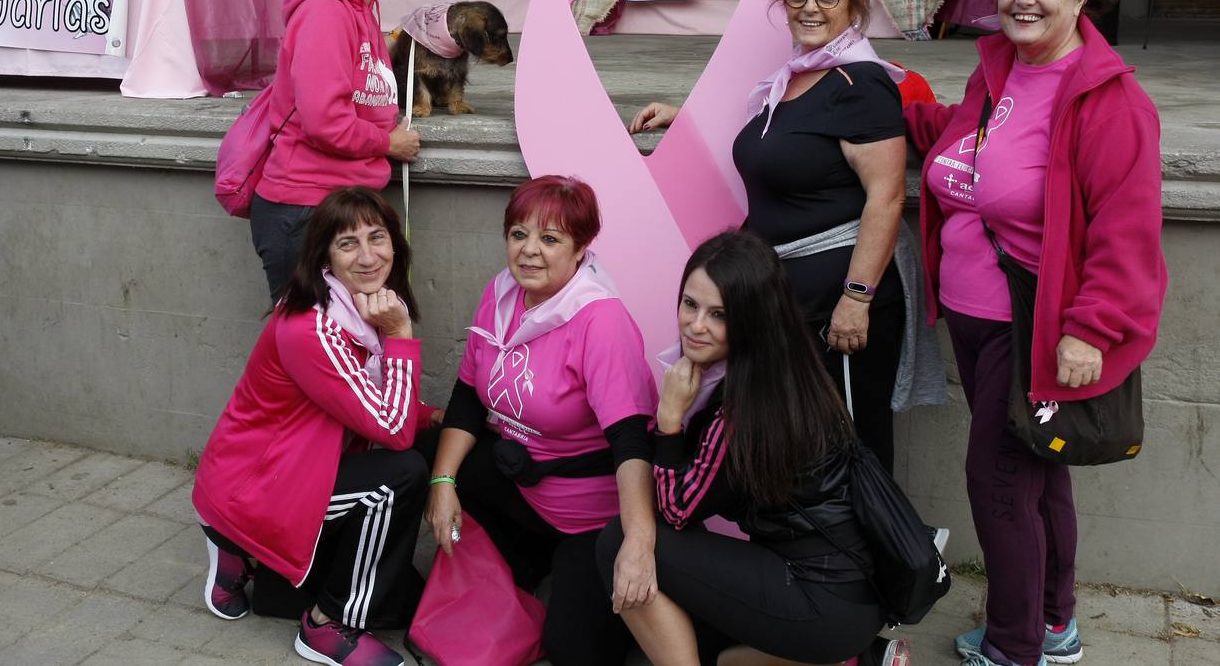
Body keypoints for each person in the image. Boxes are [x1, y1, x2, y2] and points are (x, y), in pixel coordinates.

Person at [905, 0, 1167, 666]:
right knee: (1037, 471)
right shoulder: (996, 71)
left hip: (1037, 325)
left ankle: (1014, 646)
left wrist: (1091, 328)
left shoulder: (1109, 102)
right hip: (974, 312)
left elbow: (1129, 234)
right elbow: (953, 137)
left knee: (997, 480)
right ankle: (1056, 623)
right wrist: (861, 99)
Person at [630, 0, 944, 475]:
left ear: (854, 4)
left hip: (838, 300)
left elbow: (887, 197)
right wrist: (685, 116)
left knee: (851, 450)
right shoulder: (798, 76)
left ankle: (882, 559)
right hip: (793, 295)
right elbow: (780, 145)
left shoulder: (861, 83)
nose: (810, 9)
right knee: (801, 448)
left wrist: (857, 297)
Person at [598, 230, 889, 666]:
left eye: (720, 314)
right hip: (853, 592)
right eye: (690, 304)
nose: (696, 326)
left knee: (621, 540)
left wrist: (669, 421)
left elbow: (676, 509)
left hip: (820, 601)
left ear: (753, 319)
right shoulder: (790, 366)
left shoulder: (745, 406)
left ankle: (840, 657)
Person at [193, 186, 440, 666]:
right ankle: (327, 625)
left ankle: (250, 560)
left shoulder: (353, 309)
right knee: (399, 476)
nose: (368, 256)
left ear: (396, 244)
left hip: (301, 467)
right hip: (256, 486)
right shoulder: (313, 327)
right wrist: (400, 336)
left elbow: (368, 402)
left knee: (402, 598)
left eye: (378, 238)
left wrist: (437, 417)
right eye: (348, 243)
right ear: (324, 253)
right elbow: (392, 430)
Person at [424, 175, 659, 666]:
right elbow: (467, 398)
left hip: (588, 518)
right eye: (518, 234)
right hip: (521, 484)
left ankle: (564, 572)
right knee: (428, 452)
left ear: (581, 249)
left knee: (571, 650)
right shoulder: (502, 292)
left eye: (550, 239)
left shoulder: (600, 319)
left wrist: (638, 545)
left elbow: (633, 443)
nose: (529, 251)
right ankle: (524, 562)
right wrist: (442, 483)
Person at [251, 0, 422, 300]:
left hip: (342, 208)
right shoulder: (325, 12)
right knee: (317, 353)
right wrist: (387, 142)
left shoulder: (361, 8)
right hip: (307, 212)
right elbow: (324, 120)